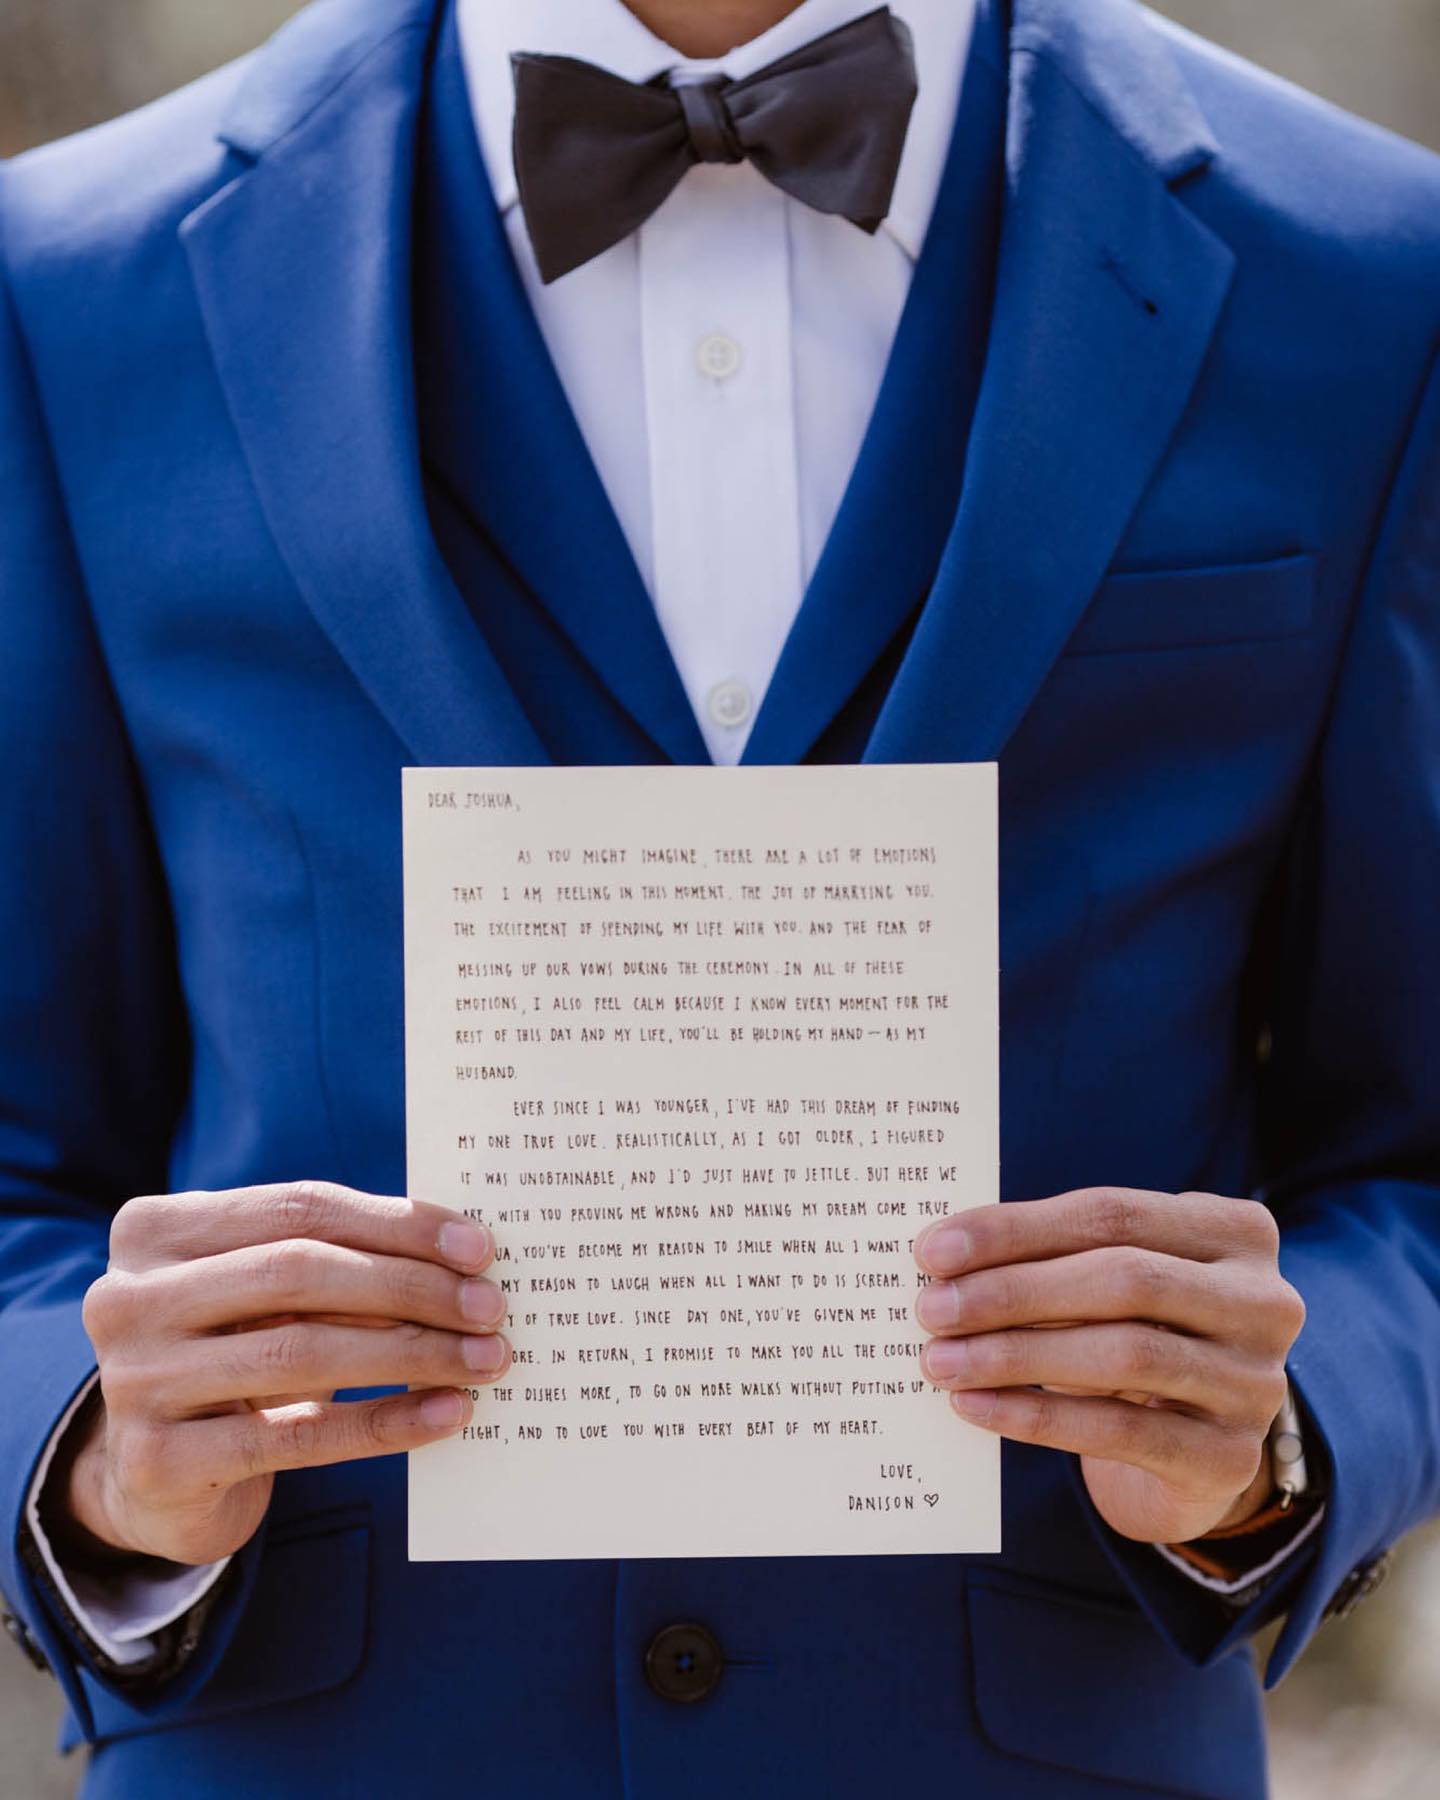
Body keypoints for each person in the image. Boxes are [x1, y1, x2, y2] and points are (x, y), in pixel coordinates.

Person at [0, 0, 1437, 1793]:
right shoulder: (66, 284)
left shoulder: (1373, 276)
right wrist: (89, 1443)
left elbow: (1420, 1156)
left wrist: (1286, 1427)